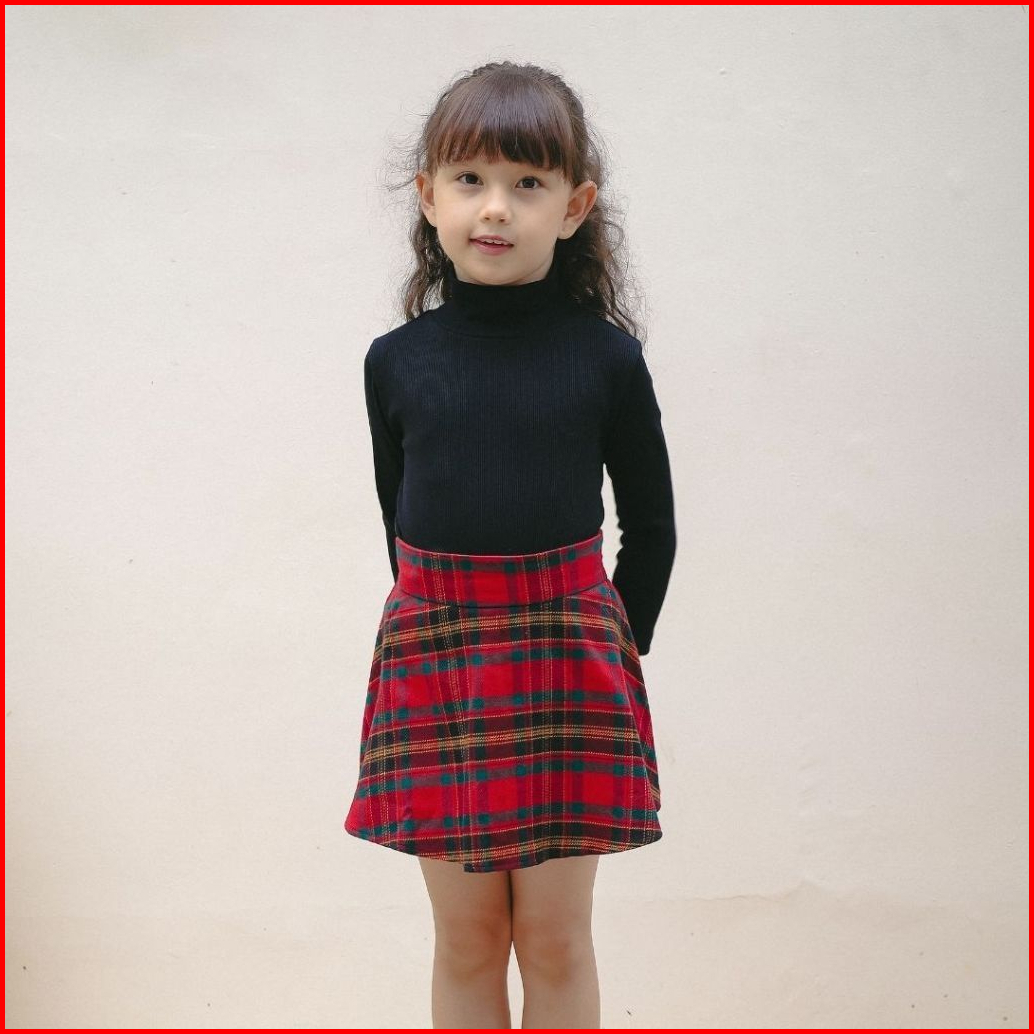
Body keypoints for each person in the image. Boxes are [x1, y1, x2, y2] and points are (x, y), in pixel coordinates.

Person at [343, 60, 677, 1029]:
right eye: (470, 179)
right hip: (437, 659)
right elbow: (398, 521)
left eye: (527, 182)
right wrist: (438, 627)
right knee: (468, 939)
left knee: (555, 939)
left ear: (573, 207)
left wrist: (612, 649)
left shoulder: (606, 359)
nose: (495, 207)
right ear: (429, 197)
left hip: (570, 665)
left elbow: (652, 526)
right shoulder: (396, 363)